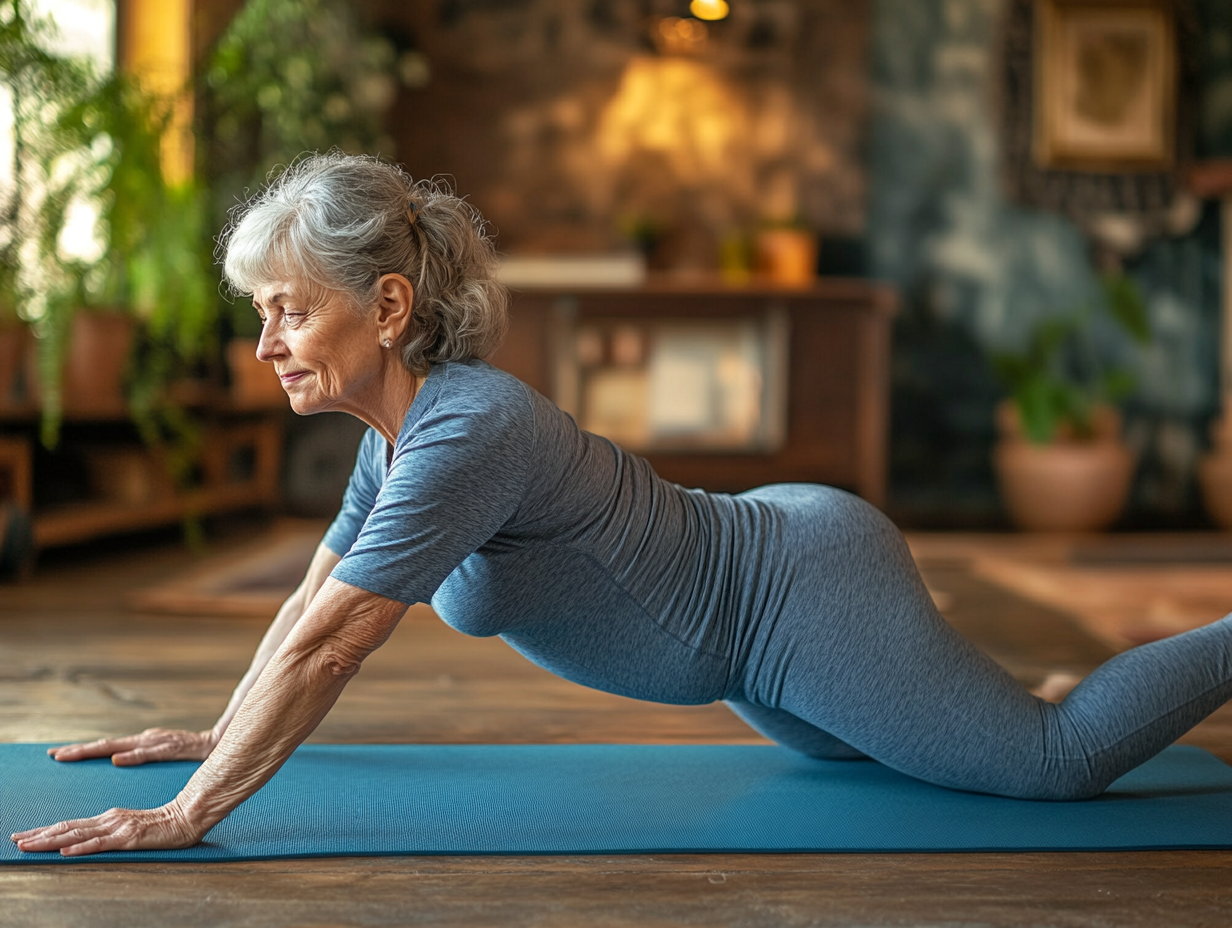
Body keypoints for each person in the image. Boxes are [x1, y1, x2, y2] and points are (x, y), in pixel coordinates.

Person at [12, 152, 1232, 857]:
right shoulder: (396, 436)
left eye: (287, 309)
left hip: (791, 599)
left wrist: (190, 812)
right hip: (757, 651)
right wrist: (218, 735)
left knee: (1047, 768)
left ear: (385, 308)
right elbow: (309, 601)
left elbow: (338, 643)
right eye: (258, 315)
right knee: (918, 764)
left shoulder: (466, 428)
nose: (264, 342)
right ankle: (1014, 697)